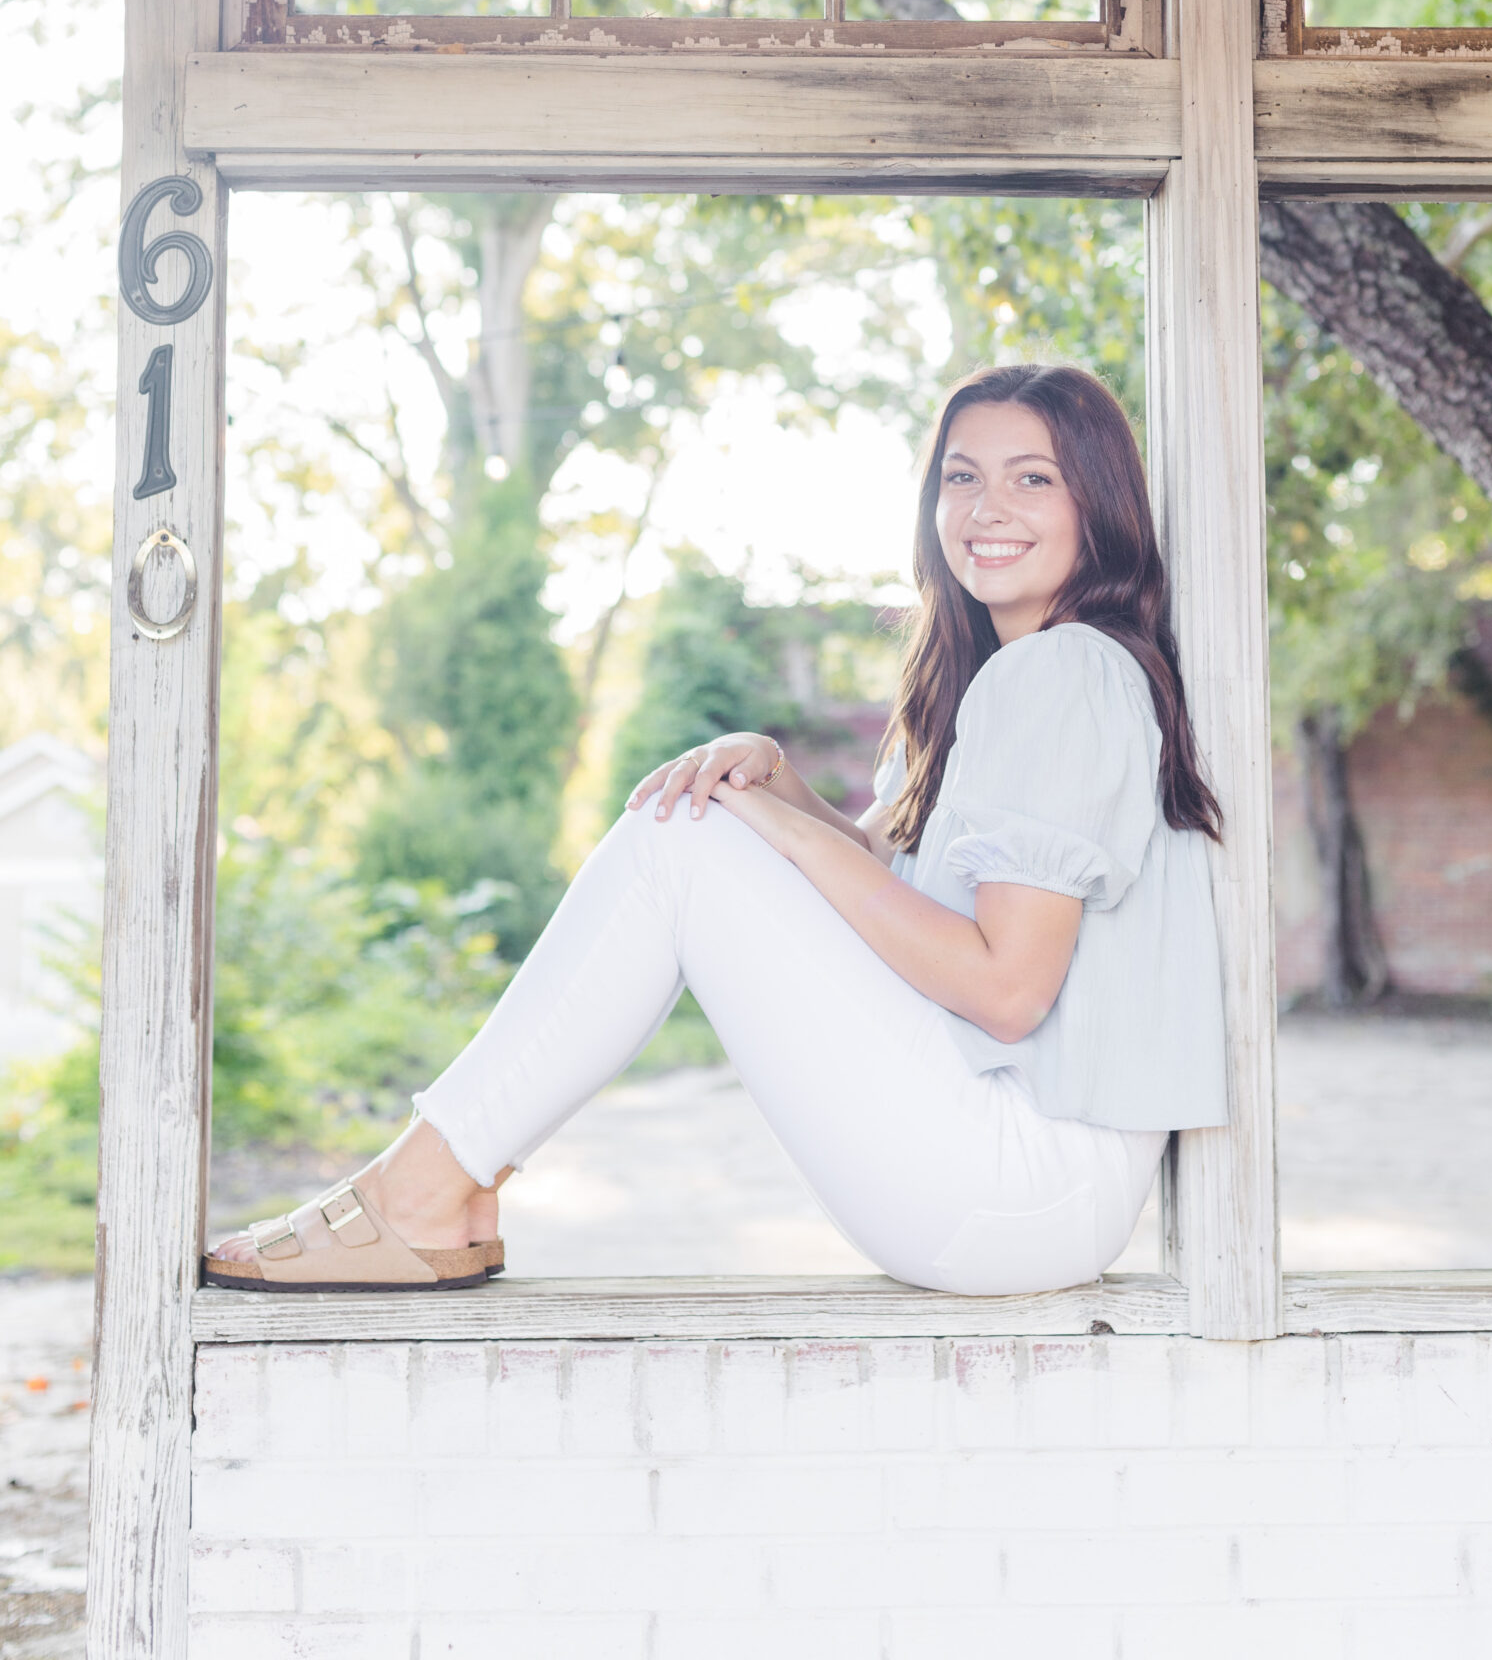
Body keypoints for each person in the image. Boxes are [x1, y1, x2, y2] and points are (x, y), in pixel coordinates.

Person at [206, 363, 1227, 1298]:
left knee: (679, 841)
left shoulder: (1064, 671)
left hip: (1023, 1181)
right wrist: (786, 789)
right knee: (702, 828)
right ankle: (450, 1192)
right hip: (1028, 1197)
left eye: (1032, 478)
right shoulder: (1019, 679)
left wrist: (789, 839)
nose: (985, 507)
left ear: (1100, 502)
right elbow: (902, 884)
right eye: (960, 477)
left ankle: (423, 1189)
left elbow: (1008, 990)